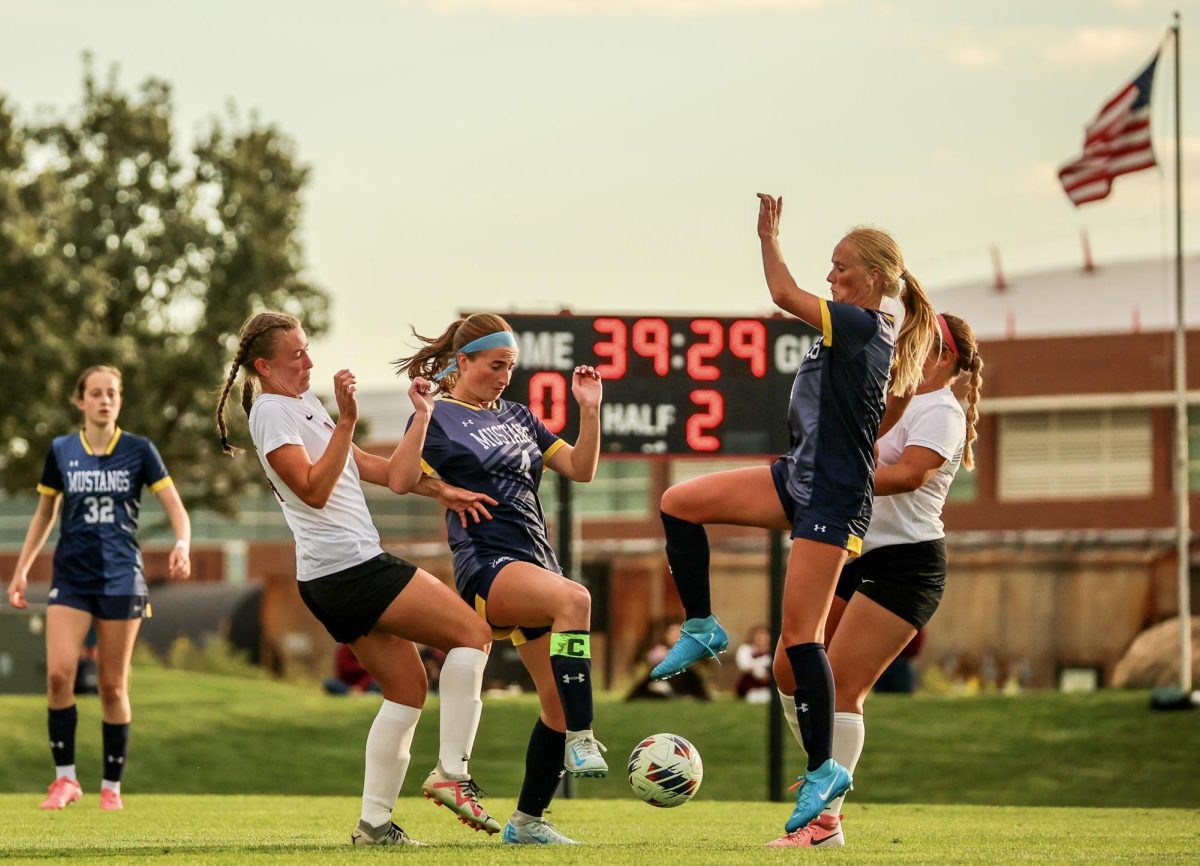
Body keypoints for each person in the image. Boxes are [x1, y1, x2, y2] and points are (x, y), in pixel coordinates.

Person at [650, 195, 937, 839]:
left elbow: (782, 293)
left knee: (800, 638)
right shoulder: (852, 332)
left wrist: (767, 237)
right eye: (830, 267)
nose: (831, 277)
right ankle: (701, 626)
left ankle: (822, 771)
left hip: (831, 497)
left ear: (874, 280)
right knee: (678, 503)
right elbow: (860, 415)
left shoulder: (863, 325)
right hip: (797, 477)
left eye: (841, 268)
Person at [216, 311, 501, 847]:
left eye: (307, 349)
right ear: (264, 365)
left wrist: (433, 458)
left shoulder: (301, 404)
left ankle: (373, 826)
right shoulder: (273, 412)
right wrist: (346, 419)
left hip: (335, 574)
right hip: (349, 567)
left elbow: (375, 469)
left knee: (408, 689)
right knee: (474, 635)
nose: (309, 362)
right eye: (296, 355)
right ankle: (452, 775)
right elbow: (313, 490)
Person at [393, 312, 606, 846]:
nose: (504, 375)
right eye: (495, 365)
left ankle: (527, 821)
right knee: (576, 599)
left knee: (553, 706)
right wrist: (421, 422)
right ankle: (586, 737)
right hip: (487, 564)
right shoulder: (438, 415)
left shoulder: (517, 414)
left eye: (510, 366)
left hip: (536, 565)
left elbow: (581, 468)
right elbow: (399, 479)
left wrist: (590, 411)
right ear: (462, 361)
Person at [771, 311, 982, 847]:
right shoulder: (898, 399)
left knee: (841, 688)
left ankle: (824, 824)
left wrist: (836, 477)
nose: (904, 347)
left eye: (920, 341)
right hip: (858, 555)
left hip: (907, 566)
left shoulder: (942, 410)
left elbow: (911, 473)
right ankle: (826, 774)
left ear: (945, 357)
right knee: (789, 670)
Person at [6, 365, 192, 812]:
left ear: (119, 401)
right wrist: (22, 569)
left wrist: (182, 543)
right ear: (81, 401)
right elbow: (45, 513)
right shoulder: (62, 450)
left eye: (112, 393)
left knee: (111, 685)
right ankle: (65, 780)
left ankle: (111, 787)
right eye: (95, 393)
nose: (104, 400)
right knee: (57, 675)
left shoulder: (139, 450)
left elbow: (176, 508)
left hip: (121, 578)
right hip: (71, 577)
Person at [735, 624, 773, 703]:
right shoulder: (746, 650)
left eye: (764, 634)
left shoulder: (774, 652)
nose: (761, 637)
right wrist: (760, 668)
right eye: (758, 634)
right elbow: (745, 666)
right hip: (751, 686)